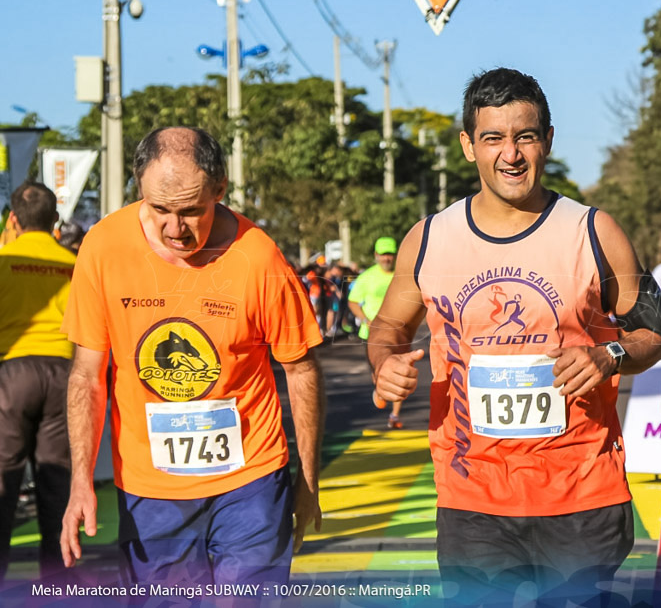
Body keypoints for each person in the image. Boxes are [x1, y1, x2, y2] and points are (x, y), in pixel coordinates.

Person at [368, 68, 661, 605]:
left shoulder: (594, 231)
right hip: (473, 495)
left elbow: (658, 333)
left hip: (580, 491)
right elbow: (389, 327)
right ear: (468, 146)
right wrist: (384, 361)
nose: (510, 154)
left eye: (525, 136)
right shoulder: (429, 239)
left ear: (548, 140)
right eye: (493, 138)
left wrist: (609, 354)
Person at [58, 127, 325, 587]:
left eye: (190, 212)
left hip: (251, 481)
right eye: (158, 209)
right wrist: (80, 479)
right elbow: (87, 376)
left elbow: (300, 371)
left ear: (219, 191)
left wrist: (309, 480)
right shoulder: (103, 248)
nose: (174, 230)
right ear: (139, 188)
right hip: (151, 489)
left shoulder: (258, 257)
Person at [0, 183, 76, 582]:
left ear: (13, 220)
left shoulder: (2, 260)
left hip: (11, 375)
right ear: (54, 223)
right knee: (57, 483)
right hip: (64, 374)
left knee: (4, 481)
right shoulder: (73, 264)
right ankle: (58, 583)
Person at [348, 237, 403, 428]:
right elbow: (353, 301)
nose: (387, 258)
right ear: (376, 255)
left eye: (390, 254)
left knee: (400, 372)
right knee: (379, 372)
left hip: (398, 332)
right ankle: (380, 387)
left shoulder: (402, 276)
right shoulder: (367, 277)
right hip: (372, 335)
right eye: (383, 254)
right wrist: (366, 320)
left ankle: (395, 416)